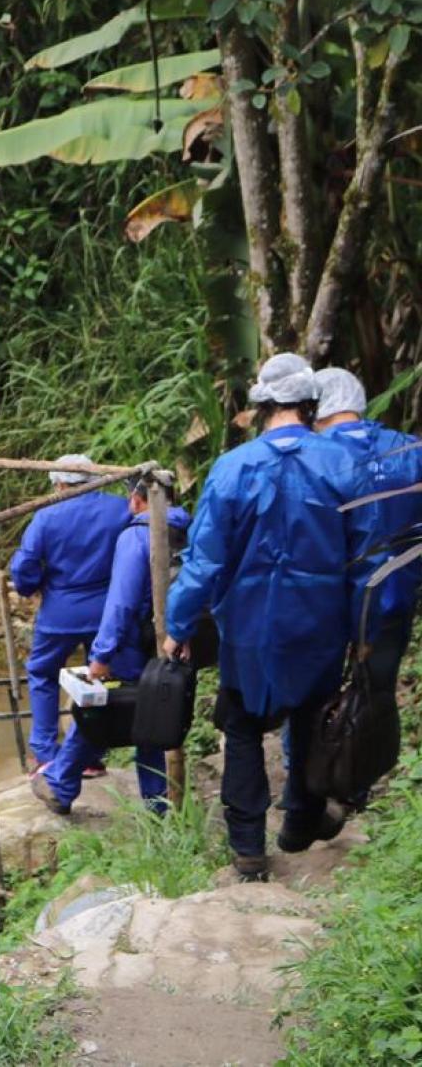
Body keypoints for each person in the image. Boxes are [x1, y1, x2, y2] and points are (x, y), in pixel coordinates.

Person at [165, 354, 374, 882]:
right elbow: (365, 557)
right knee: (307, 720)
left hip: (250, 631)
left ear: (261, 406)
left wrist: (178, 624)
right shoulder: (343, 466)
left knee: (241, 729)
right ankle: (300, 822)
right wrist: (363, 631)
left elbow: (204, 560)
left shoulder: (233, 468)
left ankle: (248, 851)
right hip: (320, 626)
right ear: (310, 405)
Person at [31, 477, 190, 815]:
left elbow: (121, 602)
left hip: (135, 643)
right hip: (174, 642)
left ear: (136, 499)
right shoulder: (188, 529)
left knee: (100, 708)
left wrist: (102, 654)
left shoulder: (136, 536)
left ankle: (60, 782)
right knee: (154, 712)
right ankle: (159, 807)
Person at [314, 366, 422, 806]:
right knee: (377, 694)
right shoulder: (409, 449)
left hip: (328, 604)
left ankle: (312, 790)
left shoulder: (314, 457)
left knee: (315, 698)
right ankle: (358, 785)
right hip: (393, 599)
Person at [9, 453, 131, 773]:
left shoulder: (47, 517)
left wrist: (32, 586)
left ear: (60, 484)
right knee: (98, 678)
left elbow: (25, 566)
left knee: (42, 673)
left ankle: (46, 753)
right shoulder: (120, 509)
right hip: (108, 611)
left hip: (60, 612)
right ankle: (89, 755)